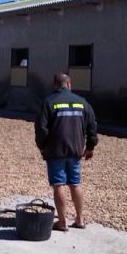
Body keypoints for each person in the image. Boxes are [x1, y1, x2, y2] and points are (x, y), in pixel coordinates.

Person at [34, 73, 98, 231]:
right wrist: (90, 147)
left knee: (58, 184)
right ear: (69, 84)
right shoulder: (82, 102)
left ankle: (62, 222)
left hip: (55, 150)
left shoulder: (49, 102)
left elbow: (41, 128)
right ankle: (80, 219)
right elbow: (92, 126)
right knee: (75, 183)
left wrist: (42, 146)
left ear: (55, 85)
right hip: (75, 150)